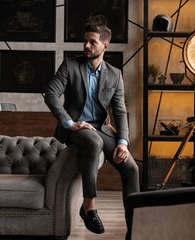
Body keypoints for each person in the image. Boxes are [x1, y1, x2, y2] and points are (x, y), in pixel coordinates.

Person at [44, 15, 139, 238]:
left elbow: (120, 111)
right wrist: (70, 122)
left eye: (92, 42)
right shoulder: (70, 65)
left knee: (131, 169)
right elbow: (51, 94)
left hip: (100, 128)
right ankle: (89, 205)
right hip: (75, 129)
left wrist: (123, 143)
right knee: (93, 140)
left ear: (104, 46)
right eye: (85, 41)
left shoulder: (115, 75)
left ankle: (135, 230)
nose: (86, 45)